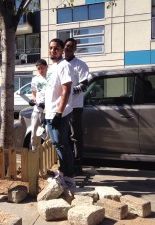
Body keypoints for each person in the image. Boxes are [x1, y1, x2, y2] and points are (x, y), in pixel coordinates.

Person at [44, 38, 76, 188]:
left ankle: (69, 177)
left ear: (62, 49)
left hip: (59, 113)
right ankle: (63, 173)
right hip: (50, 112)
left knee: (62, 144)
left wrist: (59, 113)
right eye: (51, 48)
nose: (52, 51)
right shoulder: (51, 68)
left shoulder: (64, 66)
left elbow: (66, 90)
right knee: (58, 144)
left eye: (56, 48)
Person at [64, 38, 89, 175]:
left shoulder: (80, 65)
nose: (68, 48)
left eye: (70, 46)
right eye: (66, 46)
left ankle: (78, 164)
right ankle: (67, 162)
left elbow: (84, 84)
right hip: (62, 106)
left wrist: (69, 91)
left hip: (75, 106)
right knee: (64, 136)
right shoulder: (60, 64)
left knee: (75, 136)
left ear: (75, 49)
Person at [29, 59, 48, 151]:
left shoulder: (51, 78)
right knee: (34, 131)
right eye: (38, 69)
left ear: (46, 67)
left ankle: (47, 153)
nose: (40, 70)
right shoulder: (35, 79)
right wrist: (32, 100)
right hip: (37, 109)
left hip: (49, 110)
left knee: (48, 133)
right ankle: (34, 151)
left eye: (42, 68)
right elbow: (34, 93)